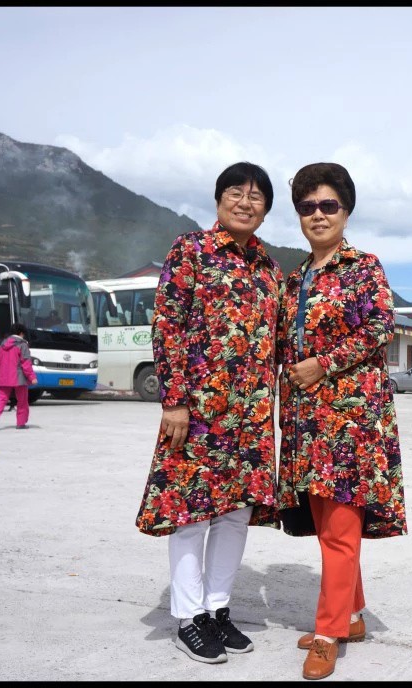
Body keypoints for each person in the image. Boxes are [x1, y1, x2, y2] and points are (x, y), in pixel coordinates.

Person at [133, 162, 284, 664]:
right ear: (218, 200)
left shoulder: (269, 268)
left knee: (235, 515)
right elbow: (168, 324)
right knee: (191, 514)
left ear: (265, 209)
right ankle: (188, 616)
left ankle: (218, 608)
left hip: (251, 414)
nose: (246, 201)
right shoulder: (190, 250)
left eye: (257, 195)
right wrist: (174, 400)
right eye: (236, 192)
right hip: (198, 411)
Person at [276, 162, 407, 681]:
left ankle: (327, 633)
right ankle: (351, 615)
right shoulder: (294, 279)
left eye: (328, 205)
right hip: (307, 422)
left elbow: (380, 325)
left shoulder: (364, 267)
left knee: (339, 529)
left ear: (346, 211)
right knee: (328, 524)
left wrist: (325, 363)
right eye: (307, 207)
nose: (317, 214)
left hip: (352, 422)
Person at [0, 324, 37, 431]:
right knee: (22, 401)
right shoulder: (22, 345)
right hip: (19, 377)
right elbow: (26, 363)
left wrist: (2, 373)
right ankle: (21, 423)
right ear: (21, 333)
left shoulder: (2, 344)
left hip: (4, 377)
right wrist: (32, 377)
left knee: (2, 399)